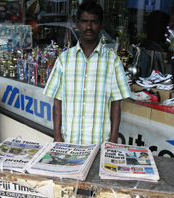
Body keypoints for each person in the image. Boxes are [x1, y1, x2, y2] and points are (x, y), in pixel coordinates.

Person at [43, 0, 131, 146]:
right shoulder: (63, 60)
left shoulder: (113, 62)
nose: (88, 27)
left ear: (101, 25)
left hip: (99, 143)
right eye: (84, 21)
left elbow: (116, 103)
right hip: (69, 142)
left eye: (94, 22)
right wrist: (57, 135)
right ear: (77, 23)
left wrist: (113, 139)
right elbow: (57, 101)